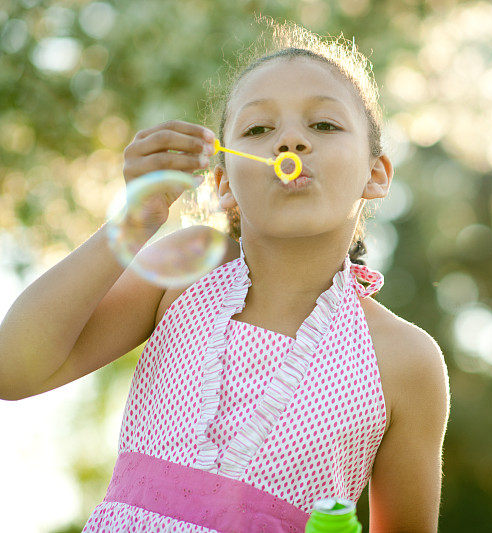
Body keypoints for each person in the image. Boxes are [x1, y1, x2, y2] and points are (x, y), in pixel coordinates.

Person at [0, 19, 450, 532]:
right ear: (223, 185)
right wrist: (133, 222)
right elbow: (13, 370)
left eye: (323, 125)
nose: (290, 141)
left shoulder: (404, 359)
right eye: (259, 130)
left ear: (376, 174)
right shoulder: (183, 276)